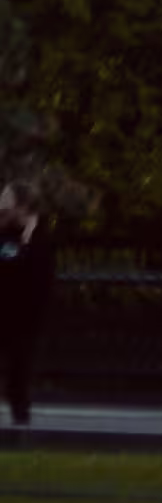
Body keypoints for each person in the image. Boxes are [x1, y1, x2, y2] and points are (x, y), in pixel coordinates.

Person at [0, 181, 60, 431]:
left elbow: (38, 278)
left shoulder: (41, 239)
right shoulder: (5, 235)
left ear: (22, 206)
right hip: (4, 312)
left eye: (7, 201)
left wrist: (25, 242)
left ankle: (20, 425)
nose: (2, 206)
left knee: (19, 372)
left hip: (25, 318)